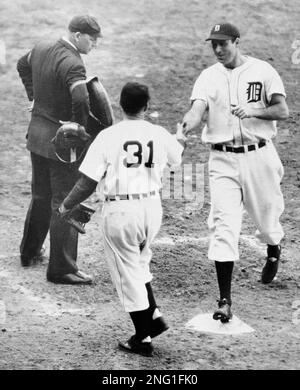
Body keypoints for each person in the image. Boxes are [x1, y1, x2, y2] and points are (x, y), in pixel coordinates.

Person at [58, 82, 186, 356]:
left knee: (127, 274)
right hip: (152, 209)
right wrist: (179, 137)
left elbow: (88, 182)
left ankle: (142, 337)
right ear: (147, 106)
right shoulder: (159, 133)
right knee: (138, 262)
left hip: (121, 212)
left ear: (120, 105)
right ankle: (154, 318)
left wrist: (65, 205)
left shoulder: (108, 136)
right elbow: (177, 154)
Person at [181, 23, 289, 322]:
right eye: (213, 44)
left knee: (268, 220)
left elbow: (283, 111)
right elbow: (197, 108)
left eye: (223, 44)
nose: (218, 50)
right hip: (222, 160)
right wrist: (188, 123)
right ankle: (225, 299)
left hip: (260, 156)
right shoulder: (208, 76)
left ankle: (273, 247)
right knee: (223, 225)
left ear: (237, 42)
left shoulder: (263, 71)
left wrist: (254, 112)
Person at [16, 15, 102, 284]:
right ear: (77, 35)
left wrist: (34, 97)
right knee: (65, 200)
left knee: (41, 195)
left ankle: (29, 252)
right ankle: (62, 268)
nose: (94, 44)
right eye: (92, 38)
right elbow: (80, 98)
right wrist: (79, 129)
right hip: (61, 145)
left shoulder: (42, 46)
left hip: (37, 136)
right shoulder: (73, 62)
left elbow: (22, 65)